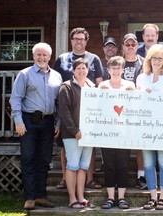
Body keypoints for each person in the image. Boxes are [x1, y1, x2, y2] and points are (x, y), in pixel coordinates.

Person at [9, 42, 62, 210]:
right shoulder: (25, 74)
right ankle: (30, 197)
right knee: (29, 159)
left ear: (49, 57)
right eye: (38, 54)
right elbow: (15, 98)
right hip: (28, 122)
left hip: (48, 122)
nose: (42, 57)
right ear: (33, 56)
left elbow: (59, 102)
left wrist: (58, 122)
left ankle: (41, 196)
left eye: (45, 55)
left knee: (45, 160)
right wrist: (18, 121)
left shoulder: (57, 76)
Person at [54, 27, 104, 190]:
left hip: (89, 111)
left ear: (86, 40)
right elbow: (55, 81)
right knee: (65, 146)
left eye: (81, 38)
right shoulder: (62, 59)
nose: (78, 41)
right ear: (71, 40)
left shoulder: (94, 58)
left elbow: (100, 83)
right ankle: (64, 178)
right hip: (67, 108)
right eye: (75, 38)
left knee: (89, 146)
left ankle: (89, 178)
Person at [136, 44, 163, 210]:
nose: (157, 61)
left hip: (162, 126)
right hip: (145, 125)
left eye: (160, 58)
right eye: (154, 58)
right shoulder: (141, 78)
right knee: (148, 163)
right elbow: (136, 101)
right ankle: (152, 197)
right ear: (149, 59)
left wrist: (156, 96)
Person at [58, 58, 95, 209]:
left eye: (83, 68)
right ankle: (72, 199)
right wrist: (75, 130)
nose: (81, 71)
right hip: (72, 134)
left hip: (89, 135)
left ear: (87, 70)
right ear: (73, 71)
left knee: (83, 167)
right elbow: (64, 112)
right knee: (72, 166)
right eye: (78, 68)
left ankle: (81, 197)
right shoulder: (66, 87)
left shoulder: (92, 87)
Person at [99, 56, 135, 209]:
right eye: (113, 68)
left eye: (118, 68)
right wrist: (102, 94)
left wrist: (132, 94)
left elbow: (136, 106)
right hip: (107, 132)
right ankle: (109, 198)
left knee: (122, 165)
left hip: (124, 132)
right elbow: (96, 107)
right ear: (108, 70)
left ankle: (121, 197)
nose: (115, 70)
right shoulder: (102, 85)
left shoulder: (129, 85)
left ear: (123, 70)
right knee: (109, 165)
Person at [122, 33, 147, 190]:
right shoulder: (117, 62)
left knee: (139, 143)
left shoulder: (145, 63)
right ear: (123, 46)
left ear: (137, 46)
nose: (130, 47)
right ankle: (121, 175)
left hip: (139, 108)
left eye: (133, 44)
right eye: (127, 44)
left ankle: (141, 175)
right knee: (122, 143)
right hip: (120, 109)